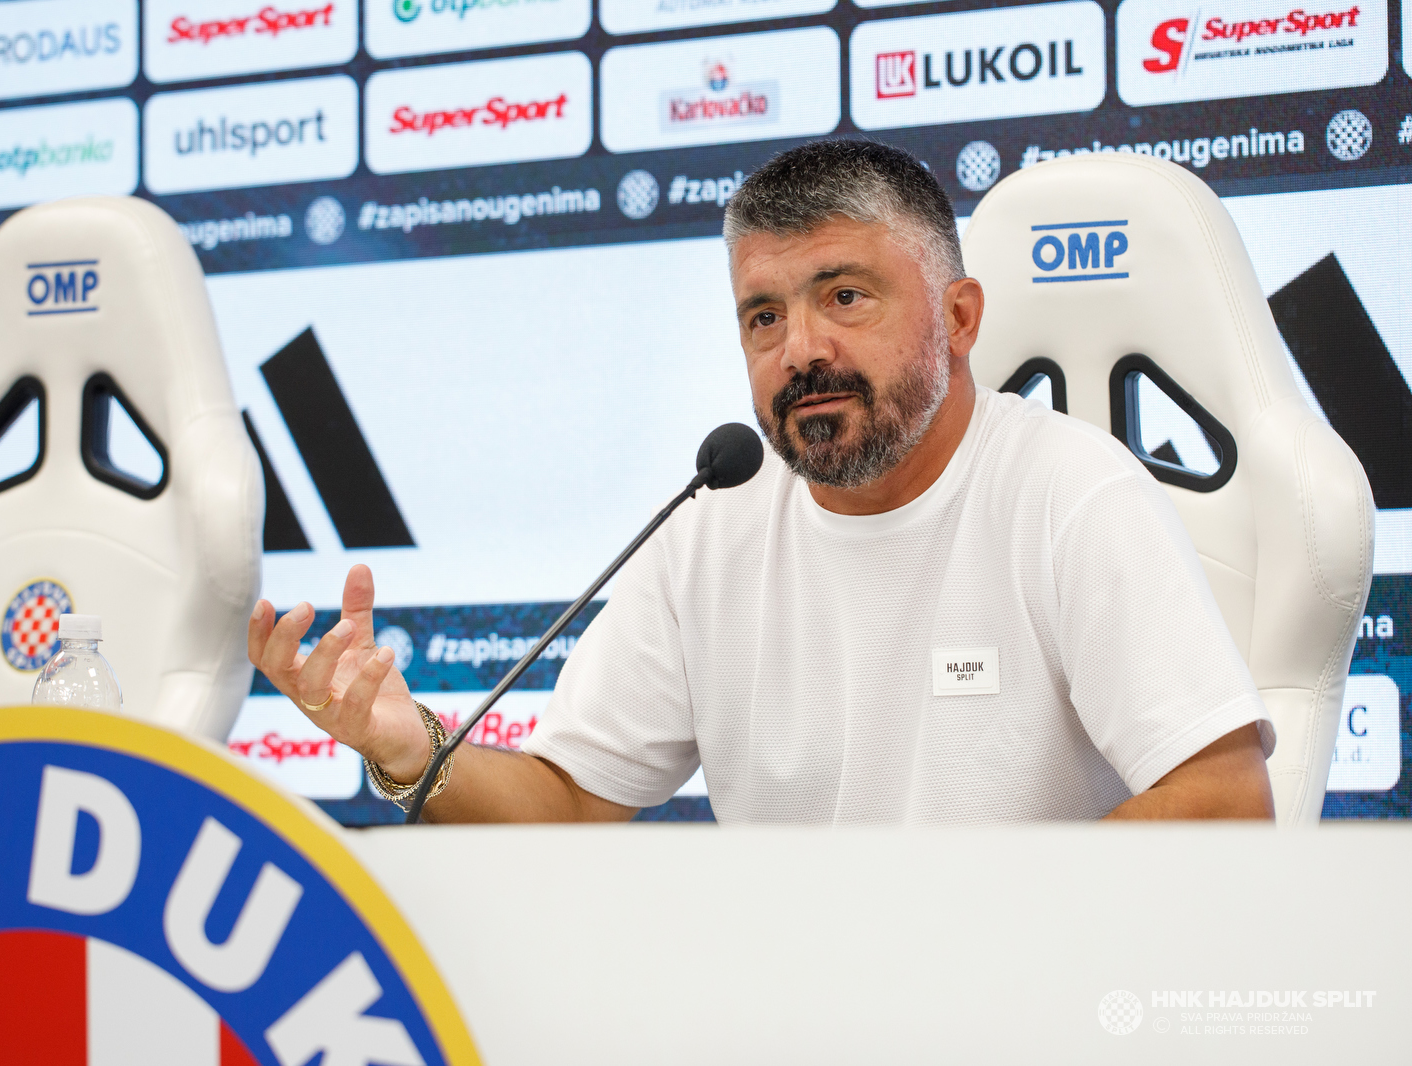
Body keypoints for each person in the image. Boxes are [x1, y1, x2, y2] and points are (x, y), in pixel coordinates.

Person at [248, 139, 1277, 824]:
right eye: (763, 316)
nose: (800, 350)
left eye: (845, 296)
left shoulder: (1067, 493)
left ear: (959, 319)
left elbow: (1224, 796)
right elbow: (565, 807)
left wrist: (965, 940)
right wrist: (403, 743)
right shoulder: (712, 522)